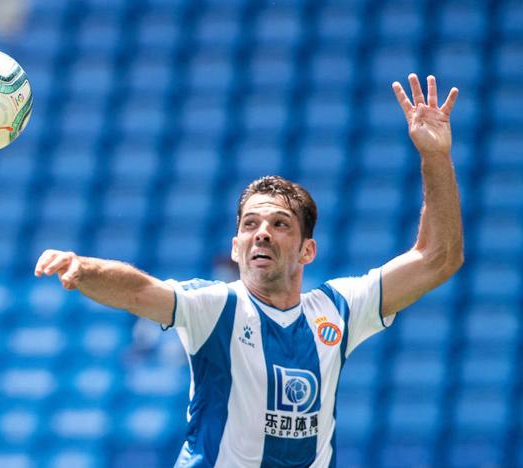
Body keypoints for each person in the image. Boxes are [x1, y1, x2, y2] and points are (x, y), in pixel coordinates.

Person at [36, 74, 461, 467]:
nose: (262, 233)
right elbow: (138, 291)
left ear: (307, 250)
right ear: (235, 247)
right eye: (250, 225)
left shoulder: (340, 309)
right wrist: (83, 267)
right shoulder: (215, 307)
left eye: (280, 224)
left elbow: (438, 258)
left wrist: (434, 156)